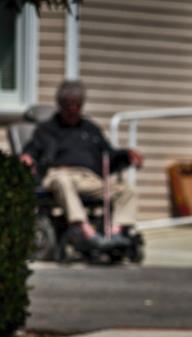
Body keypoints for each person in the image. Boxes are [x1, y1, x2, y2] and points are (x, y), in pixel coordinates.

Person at [20, 79, 143, 248]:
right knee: (63, 180)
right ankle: (86, 232)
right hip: (58, 175)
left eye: (77, 105)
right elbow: (32, 149)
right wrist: (27, 157)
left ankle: (115, 235)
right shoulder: (46, 129)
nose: (73, 109)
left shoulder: (90, 128)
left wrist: (127, 155)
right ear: (60, 105)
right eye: (68, 105)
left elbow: (109, 154)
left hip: (90, 179)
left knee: (127, 190)